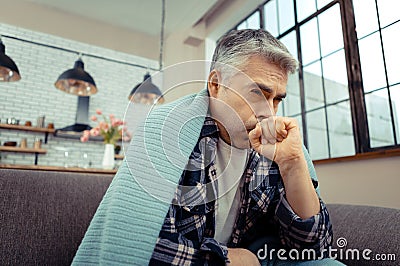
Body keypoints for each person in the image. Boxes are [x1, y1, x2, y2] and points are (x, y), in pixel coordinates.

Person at [72, 29, 343, 266]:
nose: (267, 114)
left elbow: (313, 250)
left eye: (276, 99)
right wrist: (225, 260)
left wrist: (293, 165)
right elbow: (133, 243)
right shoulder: (165, 133)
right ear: (215, 84)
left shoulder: (275, 146)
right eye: (257, 93)